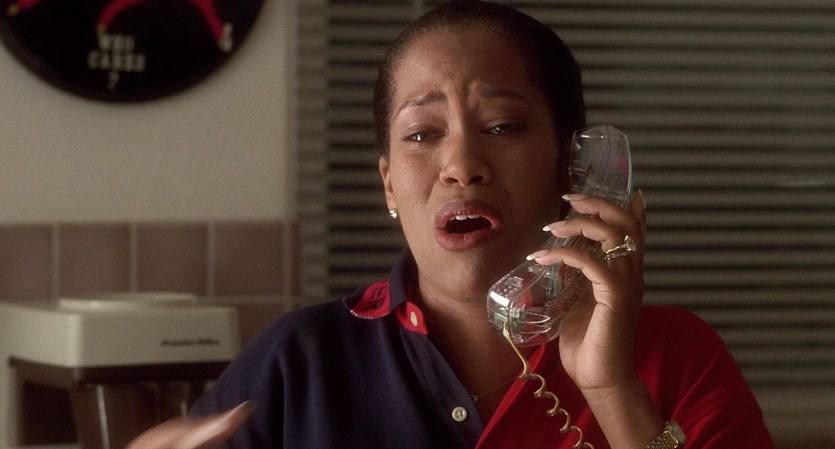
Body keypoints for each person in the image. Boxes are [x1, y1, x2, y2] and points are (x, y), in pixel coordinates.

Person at [127, 1, 773, 448]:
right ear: (388, 183)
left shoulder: (677, 354)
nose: (462, 166)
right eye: (421, 134)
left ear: (571, 166)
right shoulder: (299, 362)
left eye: (503, 126)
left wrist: (611, 391)